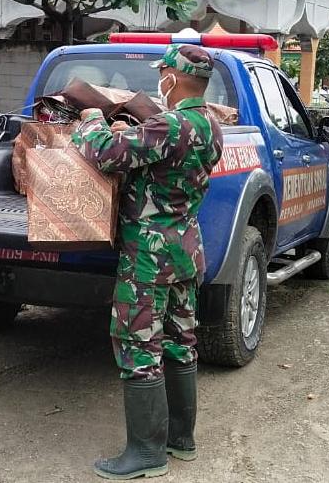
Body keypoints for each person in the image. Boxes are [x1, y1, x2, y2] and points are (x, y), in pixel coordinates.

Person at [72, 44, 224, 479]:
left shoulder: (170, 124)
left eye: (162, 74)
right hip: (185, 251)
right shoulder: (210, 125)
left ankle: (145, 453)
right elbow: (159, 157)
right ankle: (180, 439)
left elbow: (105, 152)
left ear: (172, 79)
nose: (159, 81)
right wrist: (132, 131)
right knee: (180, 341)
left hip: (148, 258)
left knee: (138, 346)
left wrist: (91, 121)